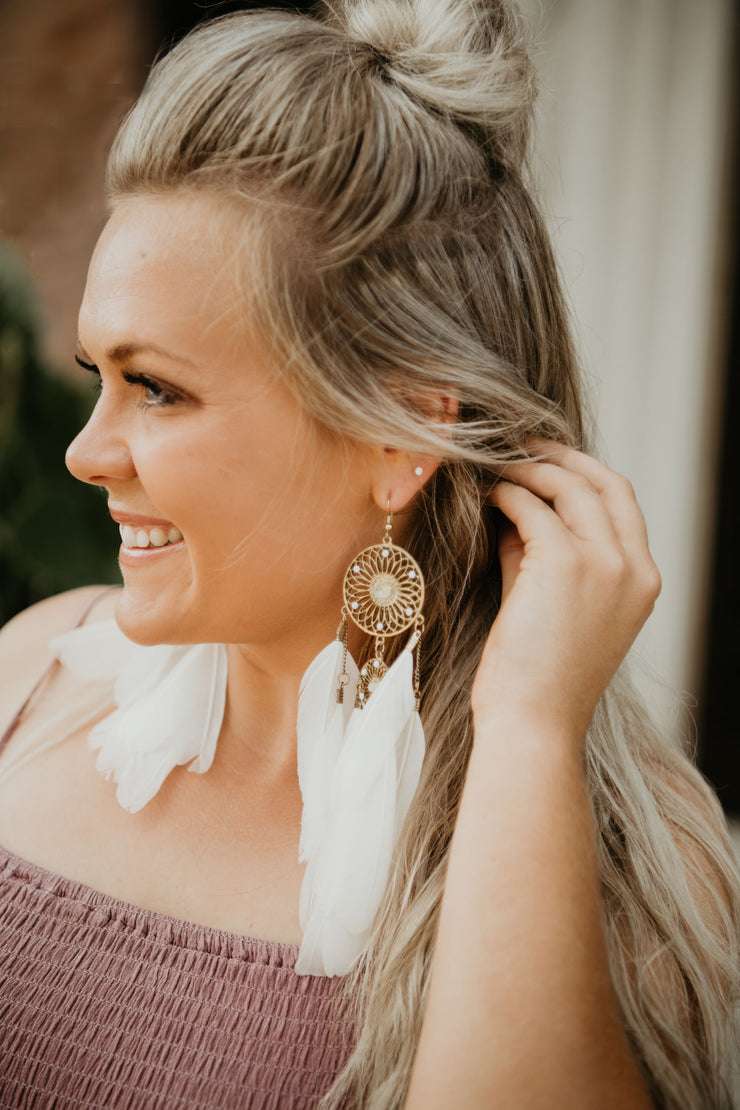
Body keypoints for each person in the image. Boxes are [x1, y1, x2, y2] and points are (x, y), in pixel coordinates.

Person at [0, 0, 737, 1106]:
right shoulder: (26, 676)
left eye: (155, 386)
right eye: (96, 374)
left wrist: (528, 729)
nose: (87, 451)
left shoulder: (629, 876)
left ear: (396, 437)